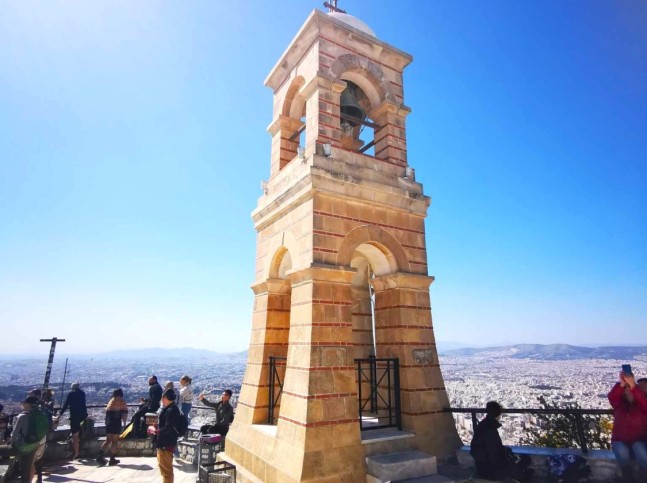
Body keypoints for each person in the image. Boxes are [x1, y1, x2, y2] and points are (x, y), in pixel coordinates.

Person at [470, 401, 533, 482]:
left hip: (481, 465)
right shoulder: (490, 430)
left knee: (522, 461)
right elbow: (494, 454)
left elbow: (489, 449)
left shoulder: (483, 425)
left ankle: (519, 472)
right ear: (498, 414)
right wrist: (508, 458)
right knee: (526, 462)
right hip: (493, 469)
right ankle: (520, 476)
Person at [608, 370, 647, 482]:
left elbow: (644, 404)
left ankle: (644, 474)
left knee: (639, 447)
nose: (629, 391)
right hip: (620, 439)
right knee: (620, 449)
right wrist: (621, 384)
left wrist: (634, 386)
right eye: (627, 389)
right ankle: (627, 475)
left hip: (638, 439)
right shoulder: (619, 404)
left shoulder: (642, 405)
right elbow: (612, 397)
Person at [11, 395, 48, 482]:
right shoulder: (41, 414)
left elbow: (14, 434)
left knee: (26, 466)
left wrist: (12, 444)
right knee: (31, 465)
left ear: (27, 404)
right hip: (38, 443)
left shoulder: (22, 416)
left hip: (25, 446)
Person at [155, 388, 182, 483]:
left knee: (166, 472)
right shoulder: (172, 408)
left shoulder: (171, 410)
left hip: (166, 444)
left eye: (162, 397)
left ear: (165, 398)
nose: (161, 399)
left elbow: (168, 428)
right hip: (166, 443)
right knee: (165, 470)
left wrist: (157, 431)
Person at [55, 382, 88, 460]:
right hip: (82, 417)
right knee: (80, 434)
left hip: (74, 417)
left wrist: (59, 415)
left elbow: (66, 405)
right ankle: (79, 451)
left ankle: (77, 453)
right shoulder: (82, 393)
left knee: (75, 436)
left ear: (72, 387)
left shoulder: (71, 394)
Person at [97, 388, 128, 467]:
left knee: (108, 440)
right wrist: (124, 425)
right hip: (116, 423)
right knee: (114, 441)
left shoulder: (111, 401)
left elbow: (107, 413)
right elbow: (124, 415)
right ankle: (112, 459)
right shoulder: (122, 402)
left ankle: (99, 456)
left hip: (109, 423)